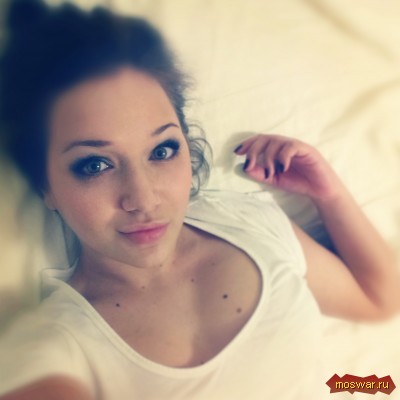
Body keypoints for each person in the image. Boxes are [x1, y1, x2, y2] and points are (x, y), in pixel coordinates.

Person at [0, 0, 398, 399]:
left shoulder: (250, 223)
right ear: (46, 185)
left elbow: (379, 299)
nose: (144, 199)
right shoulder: (54, 346)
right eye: (95, 165)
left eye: (162, 150)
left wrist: (328, 193)